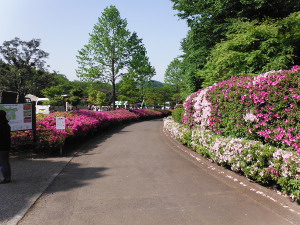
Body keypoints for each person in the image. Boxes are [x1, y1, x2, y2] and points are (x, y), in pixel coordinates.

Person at [0, 110, 11, 184]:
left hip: (1, 147)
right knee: (5, 162)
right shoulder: (6, 125)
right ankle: (7, 177)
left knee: (3, 163)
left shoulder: (1, 126)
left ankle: (6, 178)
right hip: (6, 146)